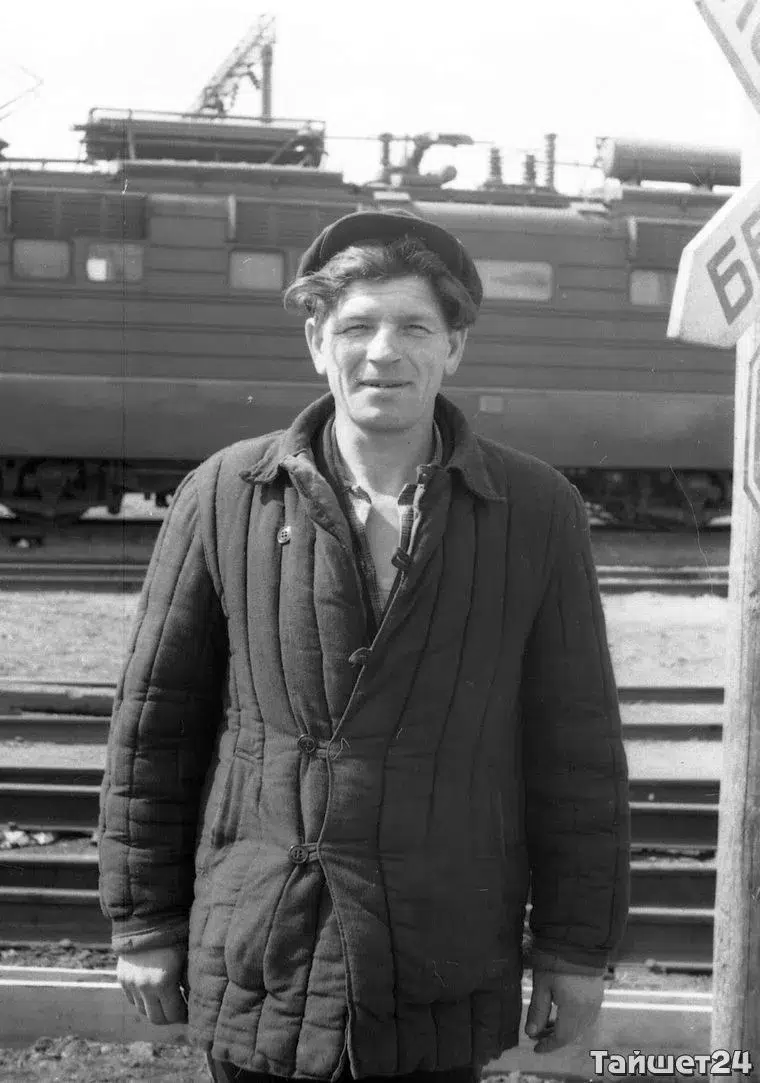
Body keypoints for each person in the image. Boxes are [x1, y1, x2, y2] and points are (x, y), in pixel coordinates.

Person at [99, 210, 630, 1083]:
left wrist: (574, 949)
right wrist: (143, 923)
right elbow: (155, 728)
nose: (384, 351)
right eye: (356, 327)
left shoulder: (537, 511)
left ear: (454, 347)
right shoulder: (225, 493)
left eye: (414, 327)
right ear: (318, 341)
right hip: (259, 949)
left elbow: (577, 751)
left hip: (439, 961)